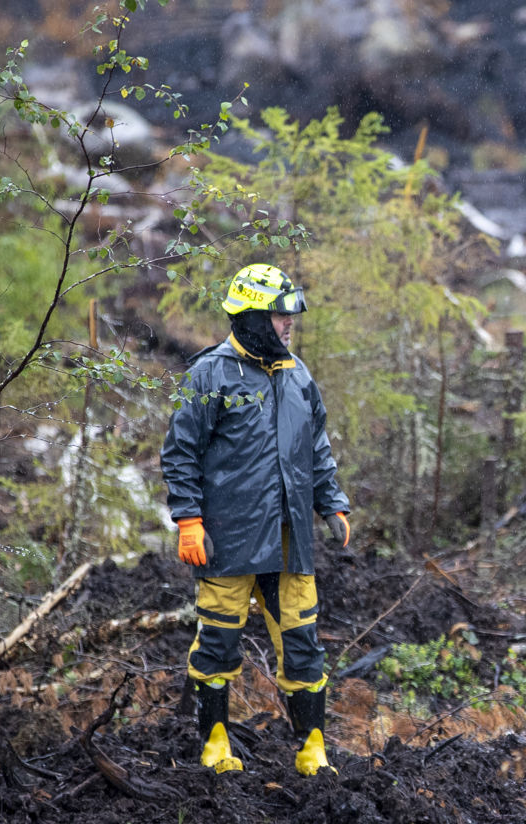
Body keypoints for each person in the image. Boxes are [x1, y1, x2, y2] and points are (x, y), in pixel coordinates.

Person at [161, 263, 351, 776]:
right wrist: (188, 519)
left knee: (304, 643)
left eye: (289, 315)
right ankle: (215, 744)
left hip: (291, 541)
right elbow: (180, 452)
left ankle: (313, 750)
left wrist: (331, 501)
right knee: (219, 639)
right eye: (278, 315)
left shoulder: (298, 375)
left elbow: (316, 445)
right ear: (250, 317)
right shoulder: (209, 374)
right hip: (228, 540)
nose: (288, 324)